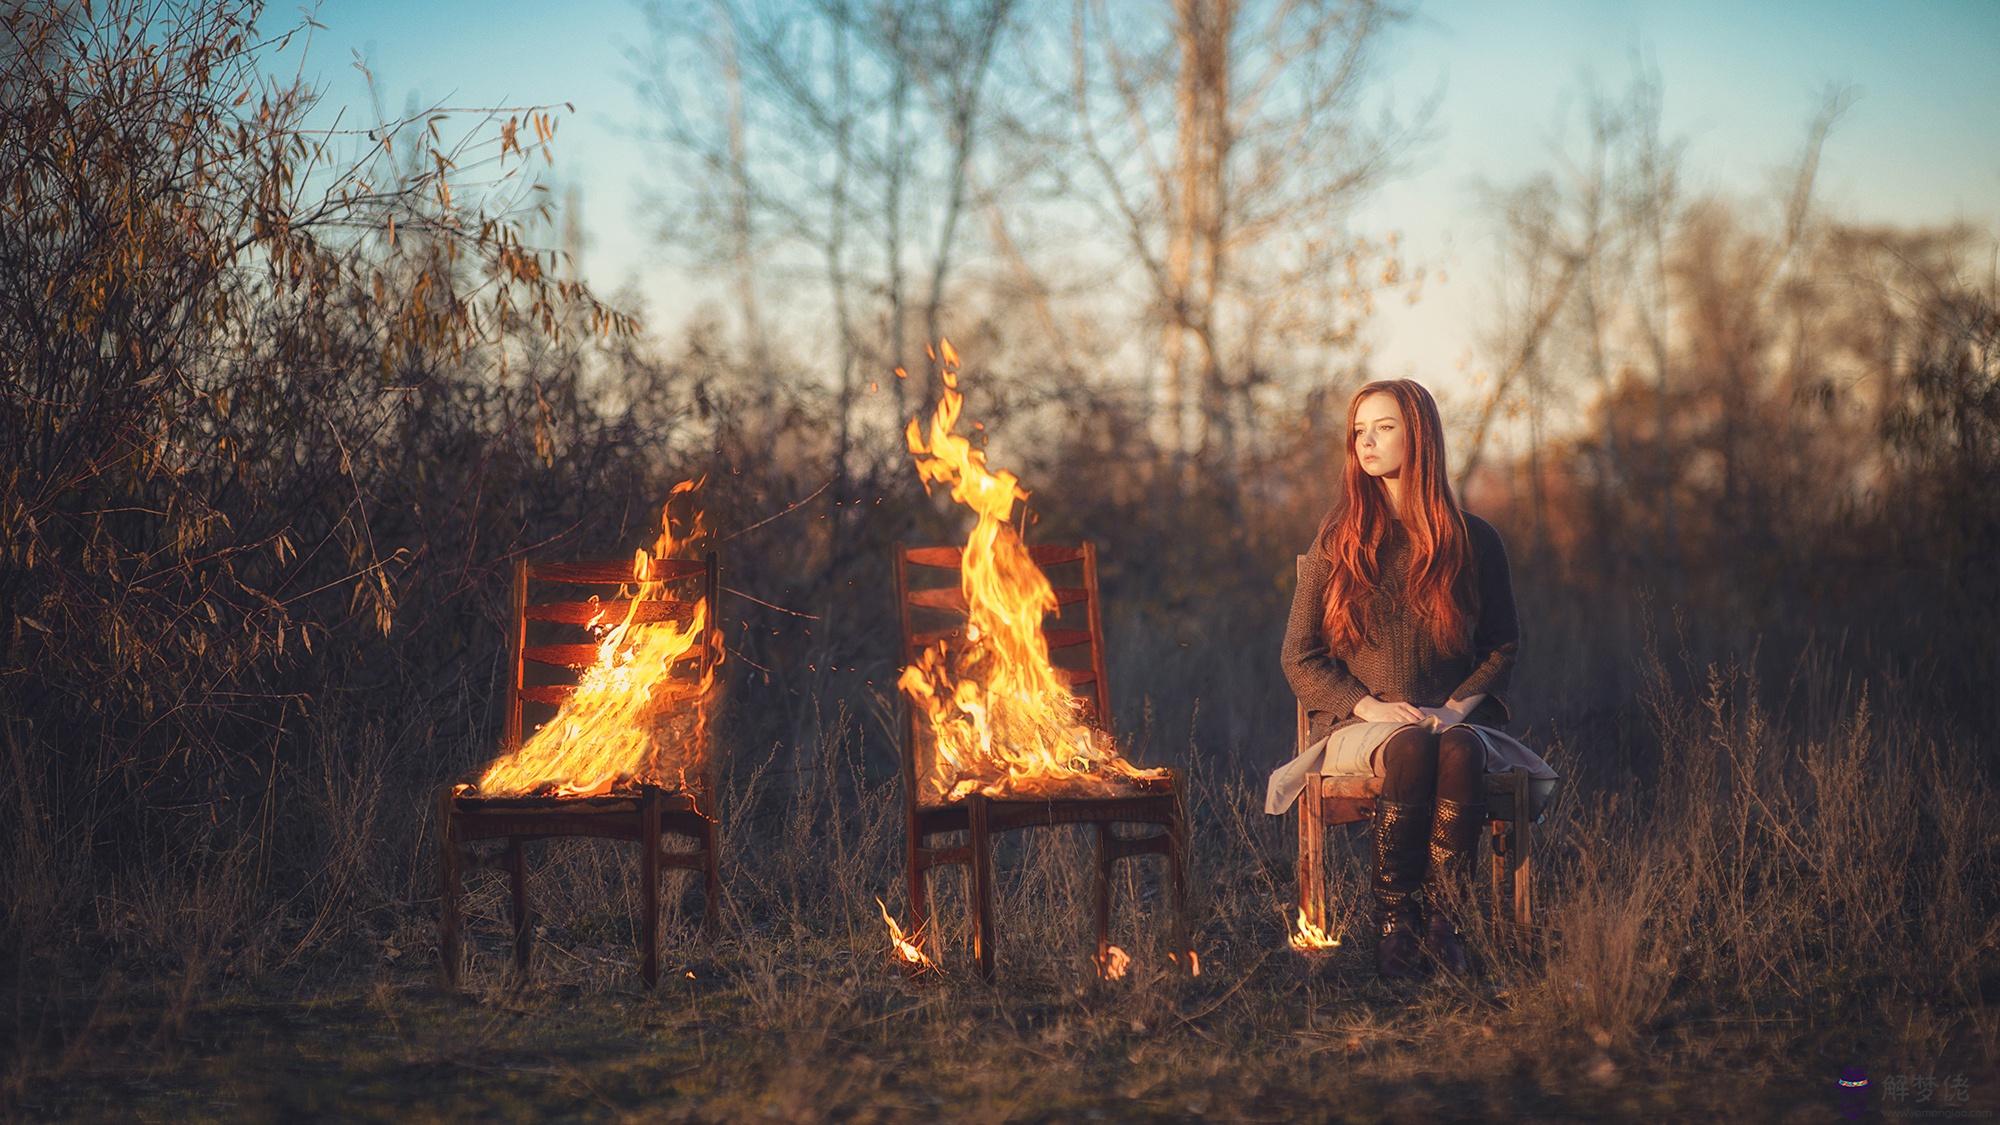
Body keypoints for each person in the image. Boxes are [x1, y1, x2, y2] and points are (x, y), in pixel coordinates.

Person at [1267, 378, 1556, 980]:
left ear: (1419, 434)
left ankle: (1447, 924)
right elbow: (1299, 655)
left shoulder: (1475, 540)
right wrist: (1367, 705)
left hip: (1450, 723)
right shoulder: (1339, 538)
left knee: (1448, 745)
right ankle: (1396, 925)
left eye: (1384, 427)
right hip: (1359, 726)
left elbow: (1502, 646)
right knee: (1410, 743)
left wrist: (1455, 709)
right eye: (1359, 431)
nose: (1366, 442)